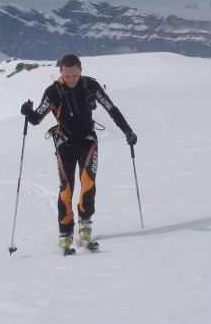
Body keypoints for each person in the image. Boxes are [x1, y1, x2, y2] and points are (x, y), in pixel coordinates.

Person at [20, 54, 137, 251]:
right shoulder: (54, 91)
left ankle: (85, 221)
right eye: (67, 76)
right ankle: (65, 231)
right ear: (61, 73)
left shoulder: (90, 85)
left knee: (88, 181)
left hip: (88, 141)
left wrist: (128, 131)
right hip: (64, 144)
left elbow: (111, 108)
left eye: (75, 76)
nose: (71, 80)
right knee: (66, 188)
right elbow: (36, 118)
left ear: (80, 71)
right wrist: (27, 111)